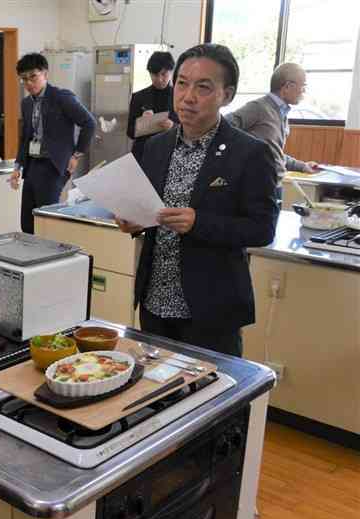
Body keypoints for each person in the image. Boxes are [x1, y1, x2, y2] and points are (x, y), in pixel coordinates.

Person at [116, 43, 279, 357]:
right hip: (154, 302)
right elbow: (151, 209)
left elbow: (262, 229)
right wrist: (134, 220)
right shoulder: (157, 146)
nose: (188, 96)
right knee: (156, 396)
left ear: (226, 95)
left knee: (212, 399)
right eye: (182, 83)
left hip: (211, 309)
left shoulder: (250, 153)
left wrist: (199, 223)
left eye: (203, 87)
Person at [8, 52, 96, 234]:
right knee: (27, 222)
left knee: (46, 221)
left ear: (45, 74)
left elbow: (89, 123)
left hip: (53, 165)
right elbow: (25, 137)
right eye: (23, 79)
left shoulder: (61, 97)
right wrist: (17, 167)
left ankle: (47, 260)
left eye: (33, 76)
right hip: (32, 166)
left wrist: (76, 155)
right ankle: (29, 259)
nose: (28, 83)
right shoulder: (26, 103)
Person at [226, 62, 320, 186]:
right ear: (287, 86)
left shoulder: (283, 114)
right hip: (256, 186)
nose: (304, 91)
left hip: (275, 184)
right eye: (303, 86)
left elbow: (274, 153)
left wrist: (303, 166)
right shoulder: (258, 108)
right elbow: (223, 126)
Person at [127, 51, 176, 163]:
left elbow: (190, 130)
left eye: (163, 74)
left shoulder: (179, 97)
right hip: (143, 155)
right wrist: (141, 122)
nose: (159, 79)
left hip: (169, 156)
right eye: (155, 74)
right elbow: (129, 132)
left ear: (171, 72)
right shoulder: (138, 97)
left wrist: (173, 126)